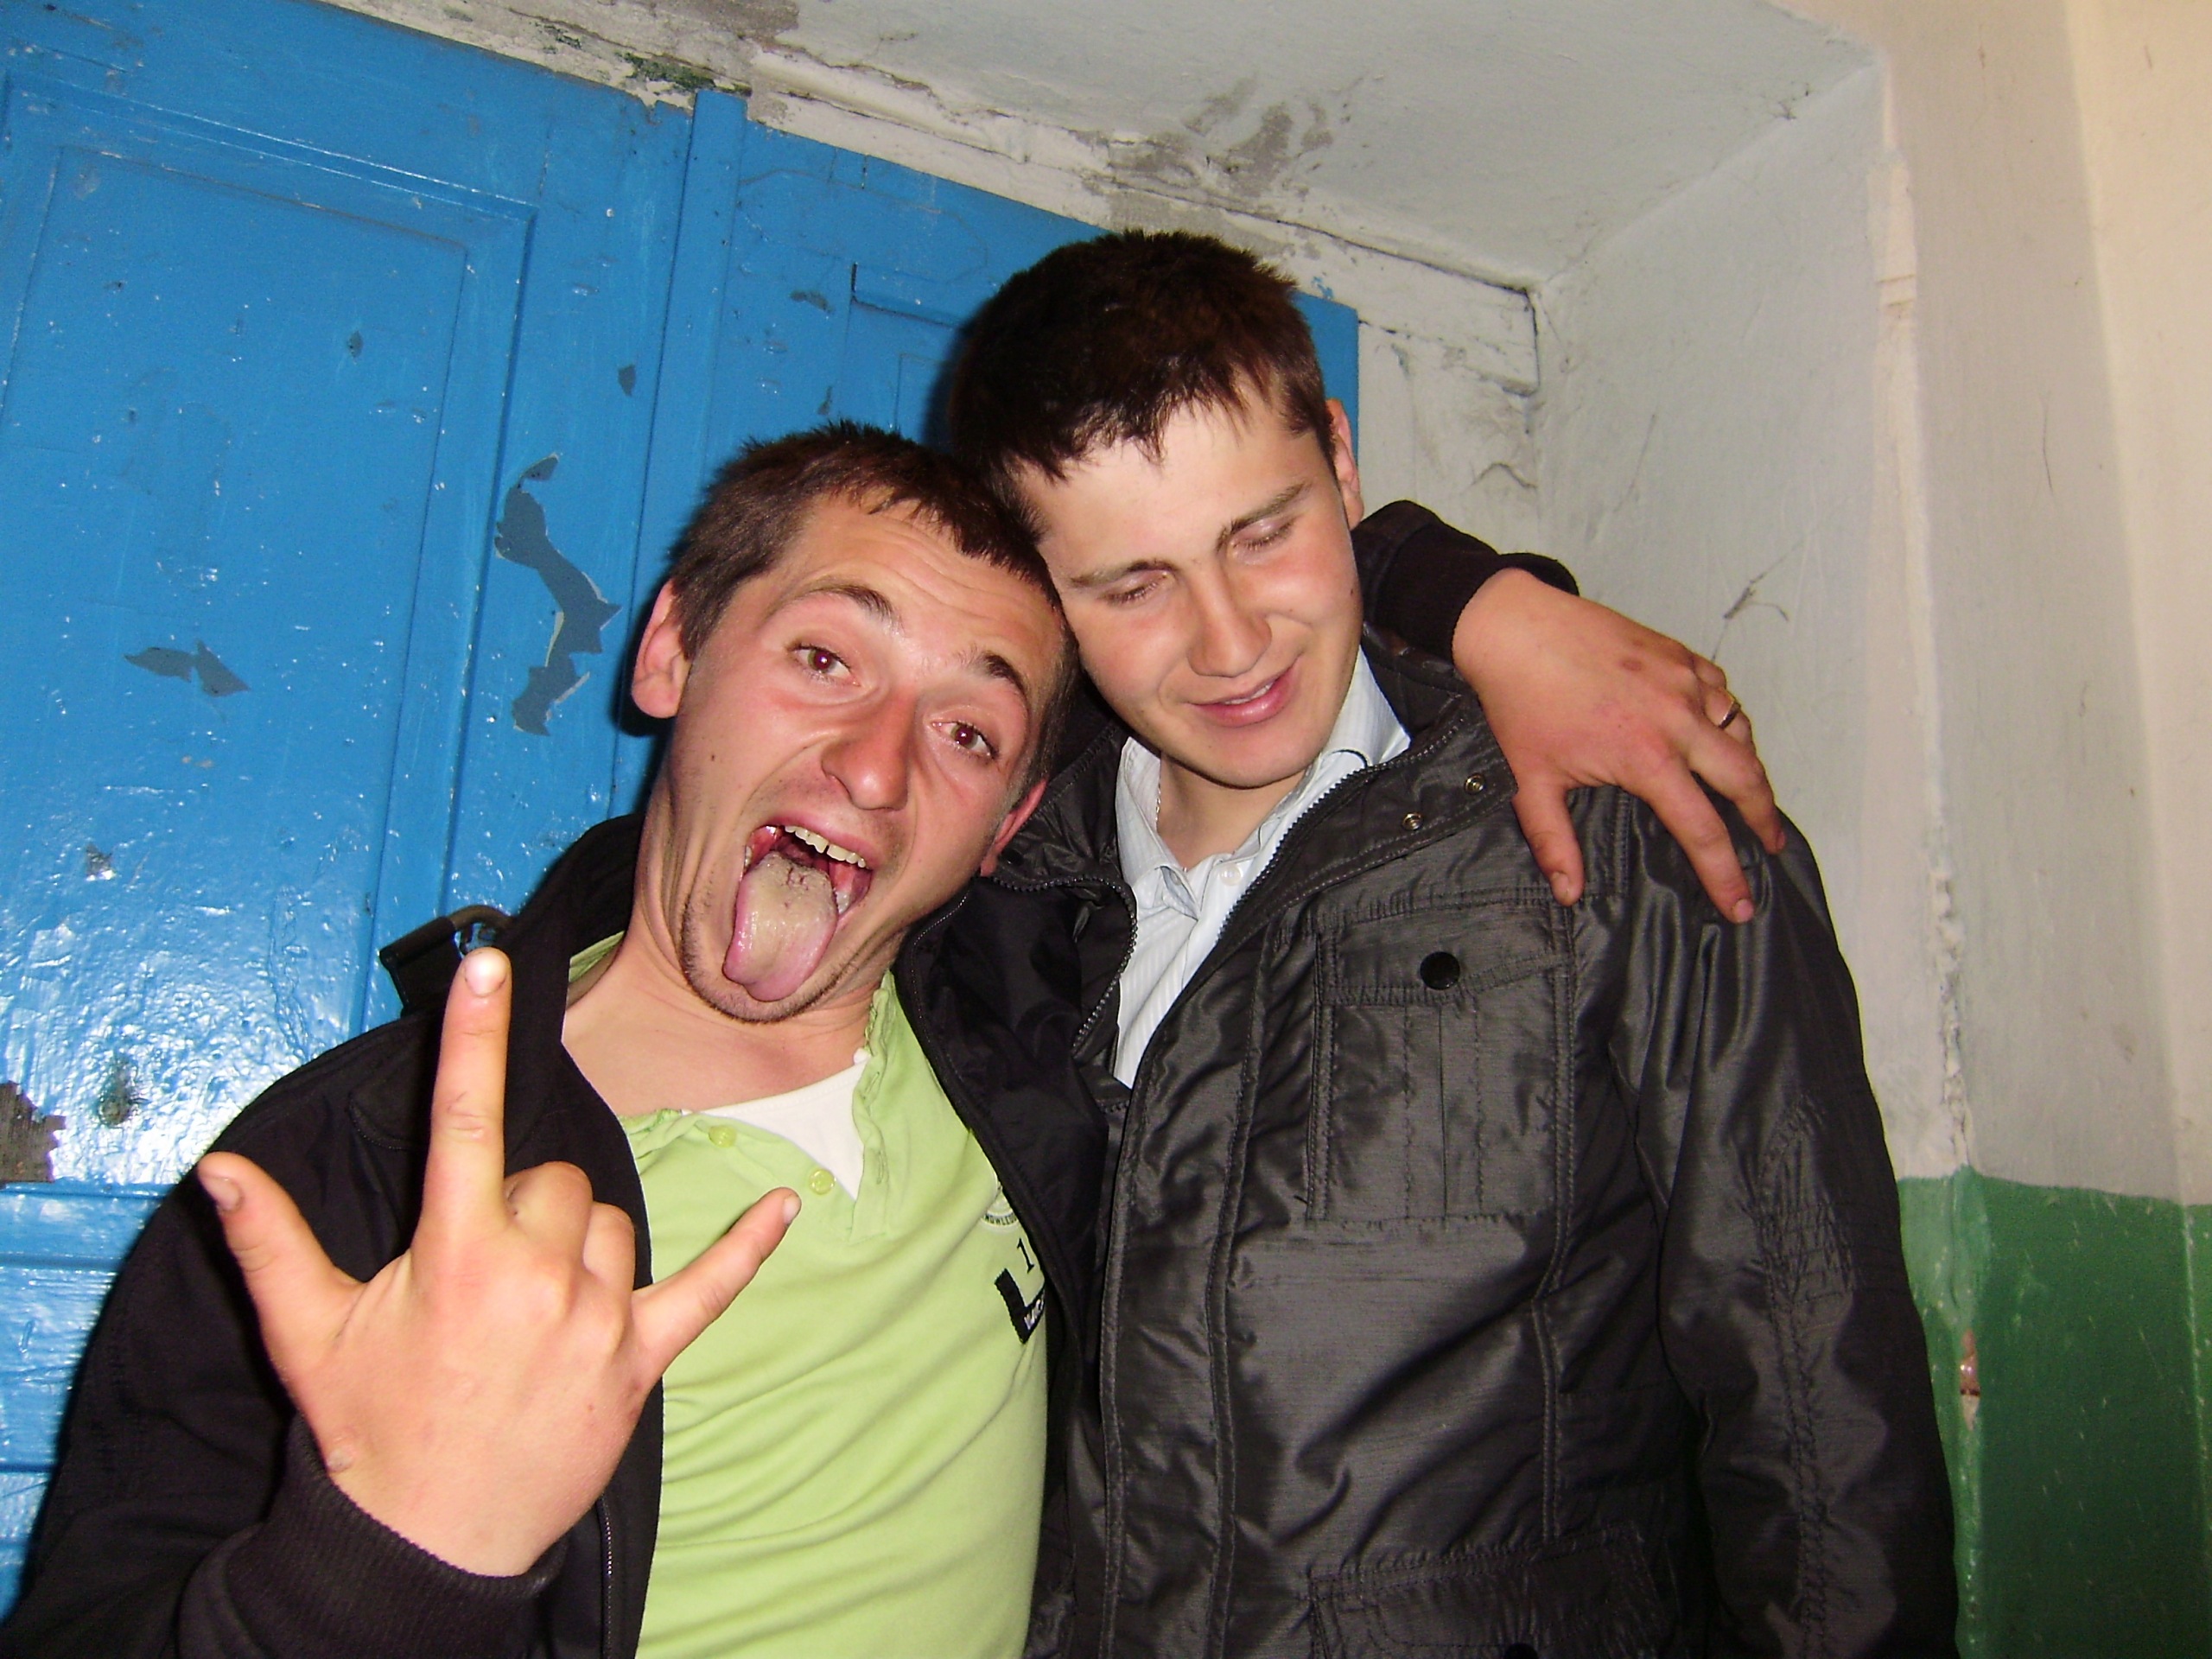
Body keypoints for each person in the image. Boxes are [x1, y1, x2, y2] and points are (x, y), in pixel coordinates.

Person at [1, 415, 1781, 1659]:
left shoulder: (1047, 1038)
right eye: (826, 661)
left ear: (1013, 823)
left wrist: (1486, 602)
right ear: (670, 652)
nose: (870, 770)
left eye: (968, 732)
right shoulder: (343, 1174)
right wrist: (395, 1559)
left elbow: (1235, 612)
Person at [943, 231, 1956, 1657]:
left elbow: (1811, 1382)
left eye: (1263, 533)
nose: (1229, 642)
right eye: (1132, 585)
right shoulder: (1004, 900)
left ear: (1344, 467)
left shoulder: (1618, 821)